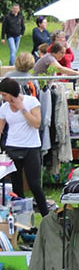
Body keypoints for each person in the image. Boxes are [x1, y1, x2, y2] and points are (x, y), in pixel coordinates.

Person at [0, 77, 50, 217]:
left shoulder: (31, 101)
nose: (3, 98)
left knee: (34, 184)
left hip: (31, 147)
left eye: (4, 95)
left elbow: (36, 124)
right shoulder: (4, 108)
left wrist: (22, 108)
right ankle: (22, 220)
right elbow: (0, 128)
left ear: (11, 93)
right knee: (16, 186)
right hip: (12, 147)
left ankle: (46, 217)